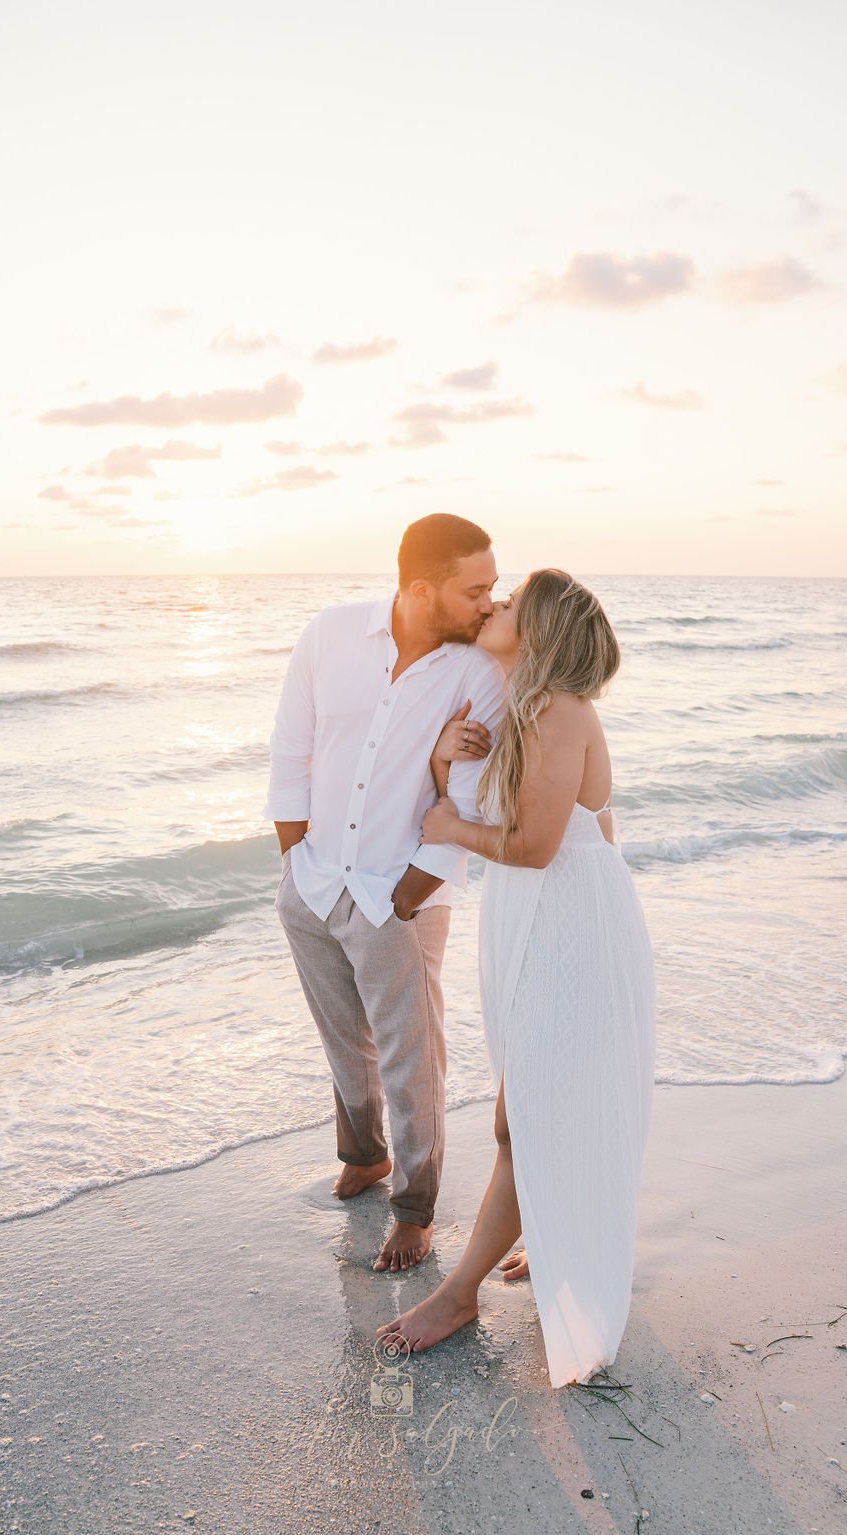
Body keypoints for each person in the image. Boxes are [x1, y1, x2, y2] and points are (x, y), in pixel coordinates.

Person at [376, 568, 656, 1388]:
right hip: (543, 921)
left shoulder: (559, 709)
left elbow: (535, 845)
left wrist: (453, 824)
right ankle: (546, 1220)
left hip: (567, 925)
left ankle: (459, 1294)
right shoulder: (524, 710)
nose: (493, 606)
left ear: (535, 632)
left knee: (524, 1116)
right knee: (529, 1108)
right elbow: (547, 823)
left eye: (508, 602)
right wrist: (441, 768)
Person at [263, 514, 508, 1273]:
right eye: (477, 590)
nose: (491, 604)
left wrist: (408, 893)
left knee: (411, 1059)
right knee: (343, 1040)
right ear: (420, 588)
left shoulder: (481, 675)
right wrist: (296, 858)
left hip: (400, 893)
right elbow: (290, 746)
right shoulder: (330, 634)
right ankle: (364, 1155)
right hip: (312, 879)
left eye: (494, 589)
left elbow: (465, 799)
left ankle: (414, 1209)